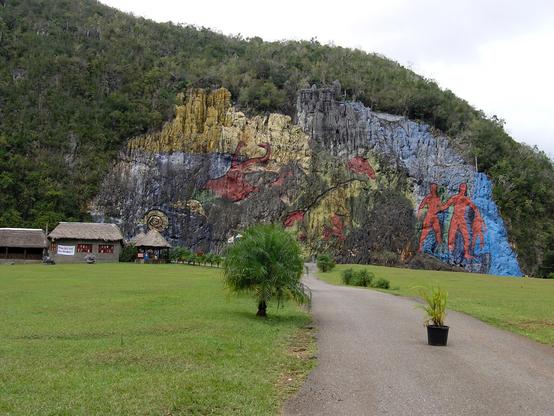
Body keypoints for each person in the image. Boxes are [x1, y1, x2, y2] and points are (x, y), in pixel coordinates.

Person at [441, 183, 485, 259]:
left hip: (462, 219)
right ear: (459, 188)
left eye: (464, 186)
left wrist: (479, 217)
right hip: (454, 219)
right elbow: (446, 206)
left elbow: (475, 208)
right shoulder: (455, 197)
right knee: (451, 236)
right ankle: (450, 254)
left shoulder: (466, 199)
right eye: (461, 186)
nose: (463, 187)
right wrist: (438, 209)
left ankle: (466, 253)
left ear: (466, 189)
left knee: (466, 237)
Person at [417, 183, 443, 252]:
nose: (433, 189)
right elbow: (421, 206)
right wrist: (419, 214)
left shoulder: (437, 199)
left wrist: (438, 210)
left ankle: (438, 250)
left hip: (434, 216)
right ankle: (420, 248)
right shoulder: (429, 197)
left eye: (434, 188)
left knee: (438, 232)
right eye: (432, 188)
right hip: (430, 216)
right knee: (425, 231)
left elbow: (441, 208)